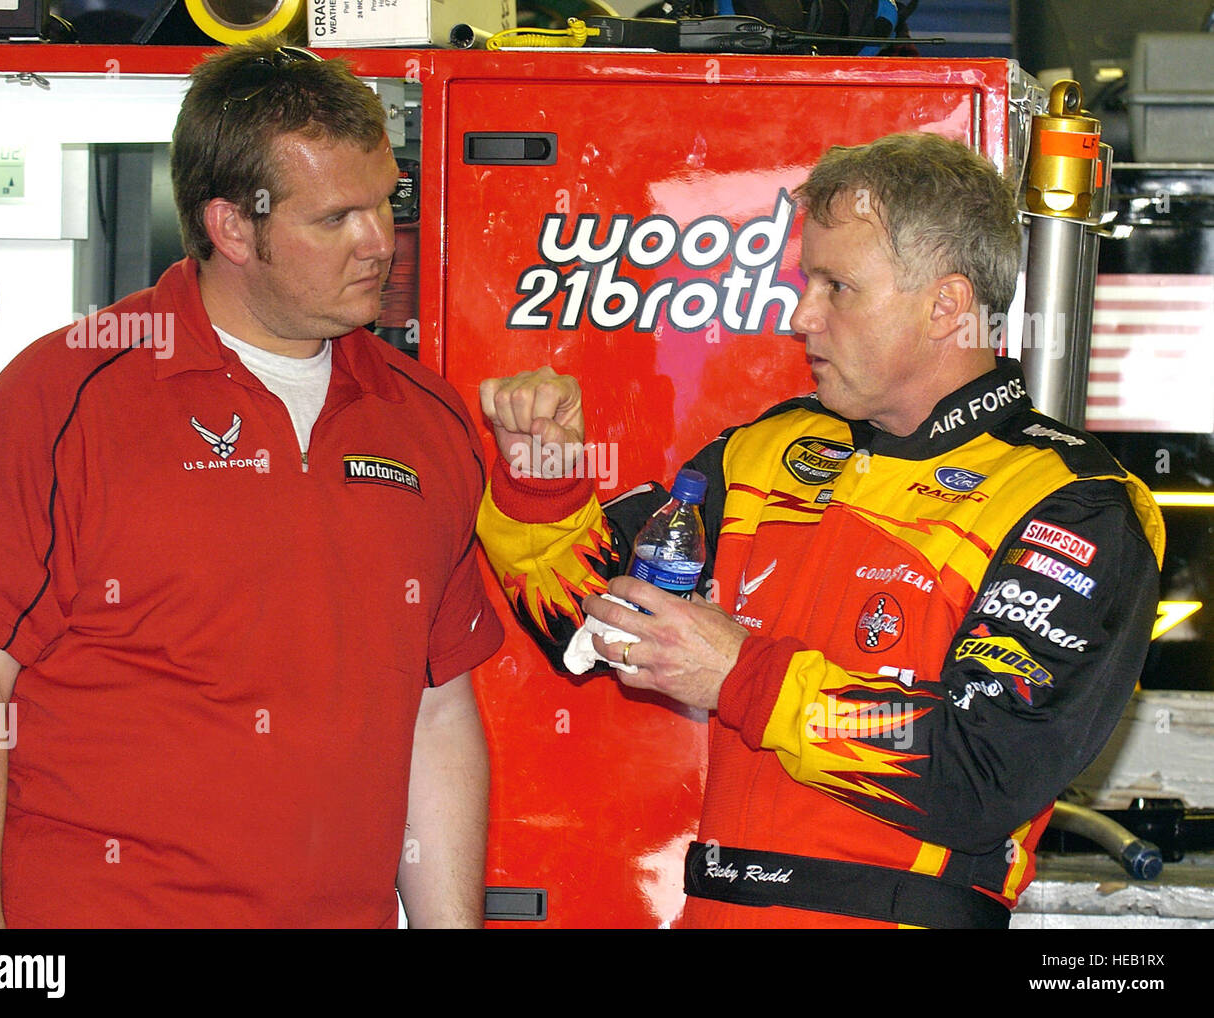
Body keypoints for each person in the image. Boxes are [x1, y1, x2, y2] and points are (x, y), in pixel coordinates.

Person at [476, 132, 1165, 928]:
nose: (803, 316)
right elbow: (592, 625)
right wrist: (541, 483)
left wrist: (740, 674)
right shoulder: (766, 451)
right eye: (809, 281)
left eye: (839, 286)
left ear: (946, 306)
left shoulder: (1074, 502)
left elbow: (980, 772)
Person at [0, 41, 502, 928]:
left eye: (388, 201)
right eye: (337, 216)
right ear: (232, 227)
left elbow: (436, 714)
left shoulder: (426, 418)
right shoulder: (66, 395)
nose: (381, 241)